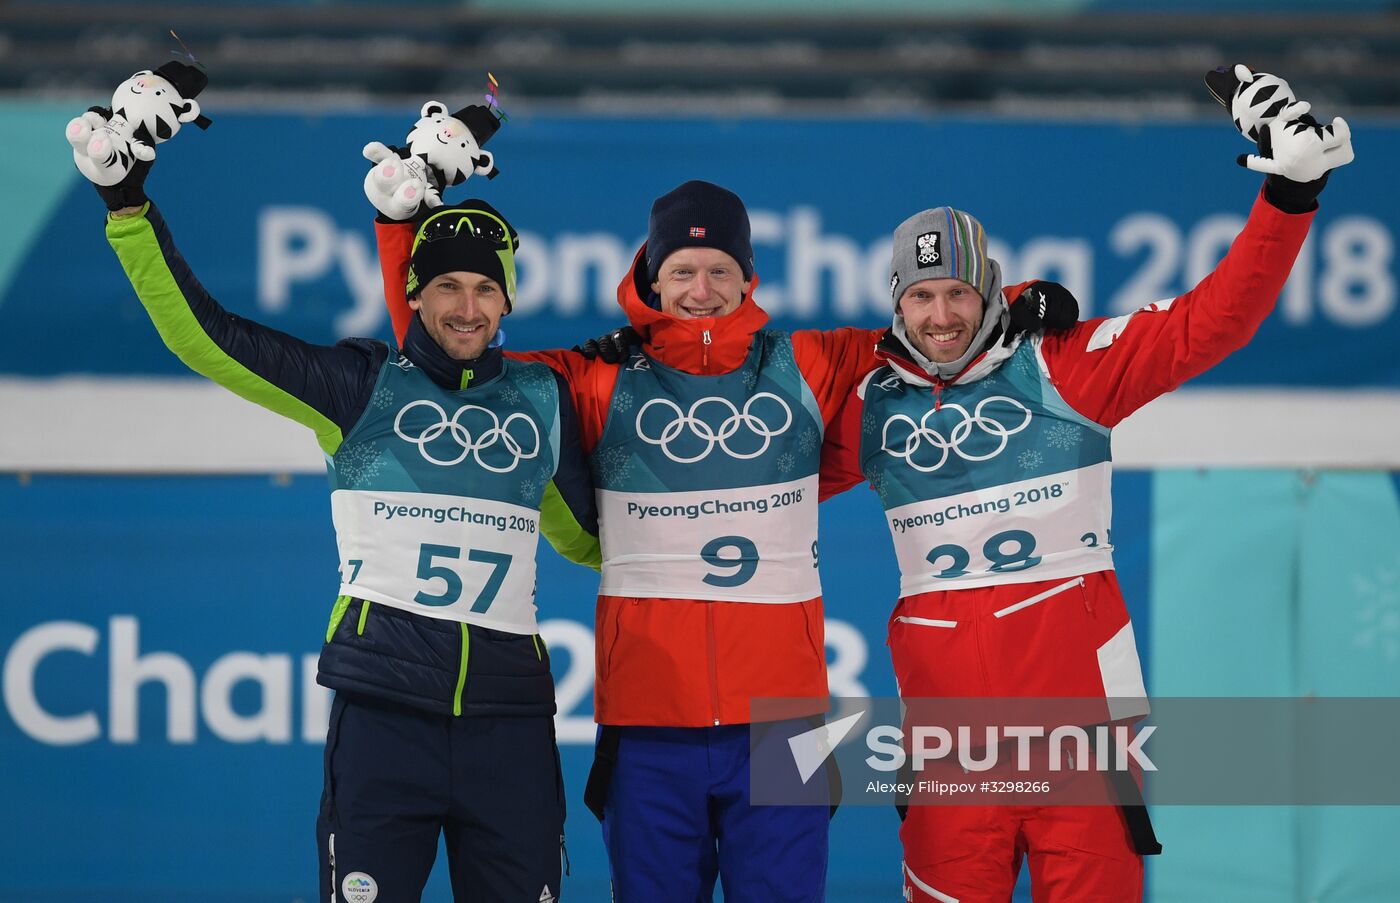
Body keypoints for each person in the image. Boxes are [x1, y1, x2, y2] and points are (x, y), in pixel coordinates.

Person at [374, 174, 1078, 899]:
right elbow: (443, 359)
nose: (701, 289)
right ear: (651, 278)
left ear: (750, 280)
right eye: (681, 270)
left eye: (719, 271)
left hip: (786, 727)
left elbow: (937, 327)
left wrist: (1020, 298)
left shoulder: (809, 362)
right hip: (648, 726)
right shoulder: (592, 377)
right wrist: (400, 227)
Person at [818, 71, 1354, 901]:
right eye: (920, 296)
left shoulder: (1064, 366)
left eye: (957, 291)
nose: (941, 315)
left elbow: (1213, 321)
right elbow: (753, 485)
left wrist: (1289, 195)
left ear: (989, 287)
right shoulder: (871, 407)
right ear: (896, 303)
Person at [85, 117, 599, 903]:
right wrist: (128, 208)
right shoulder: (363, 388)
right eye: (447, 287)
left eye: (484, 287)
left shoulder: (541, 401)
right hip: (385, 720)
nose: (467, 307)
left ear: (507, 299)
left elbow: (591, 539)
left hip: (512, 725)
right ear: (416, 294)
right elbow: (208, 337)